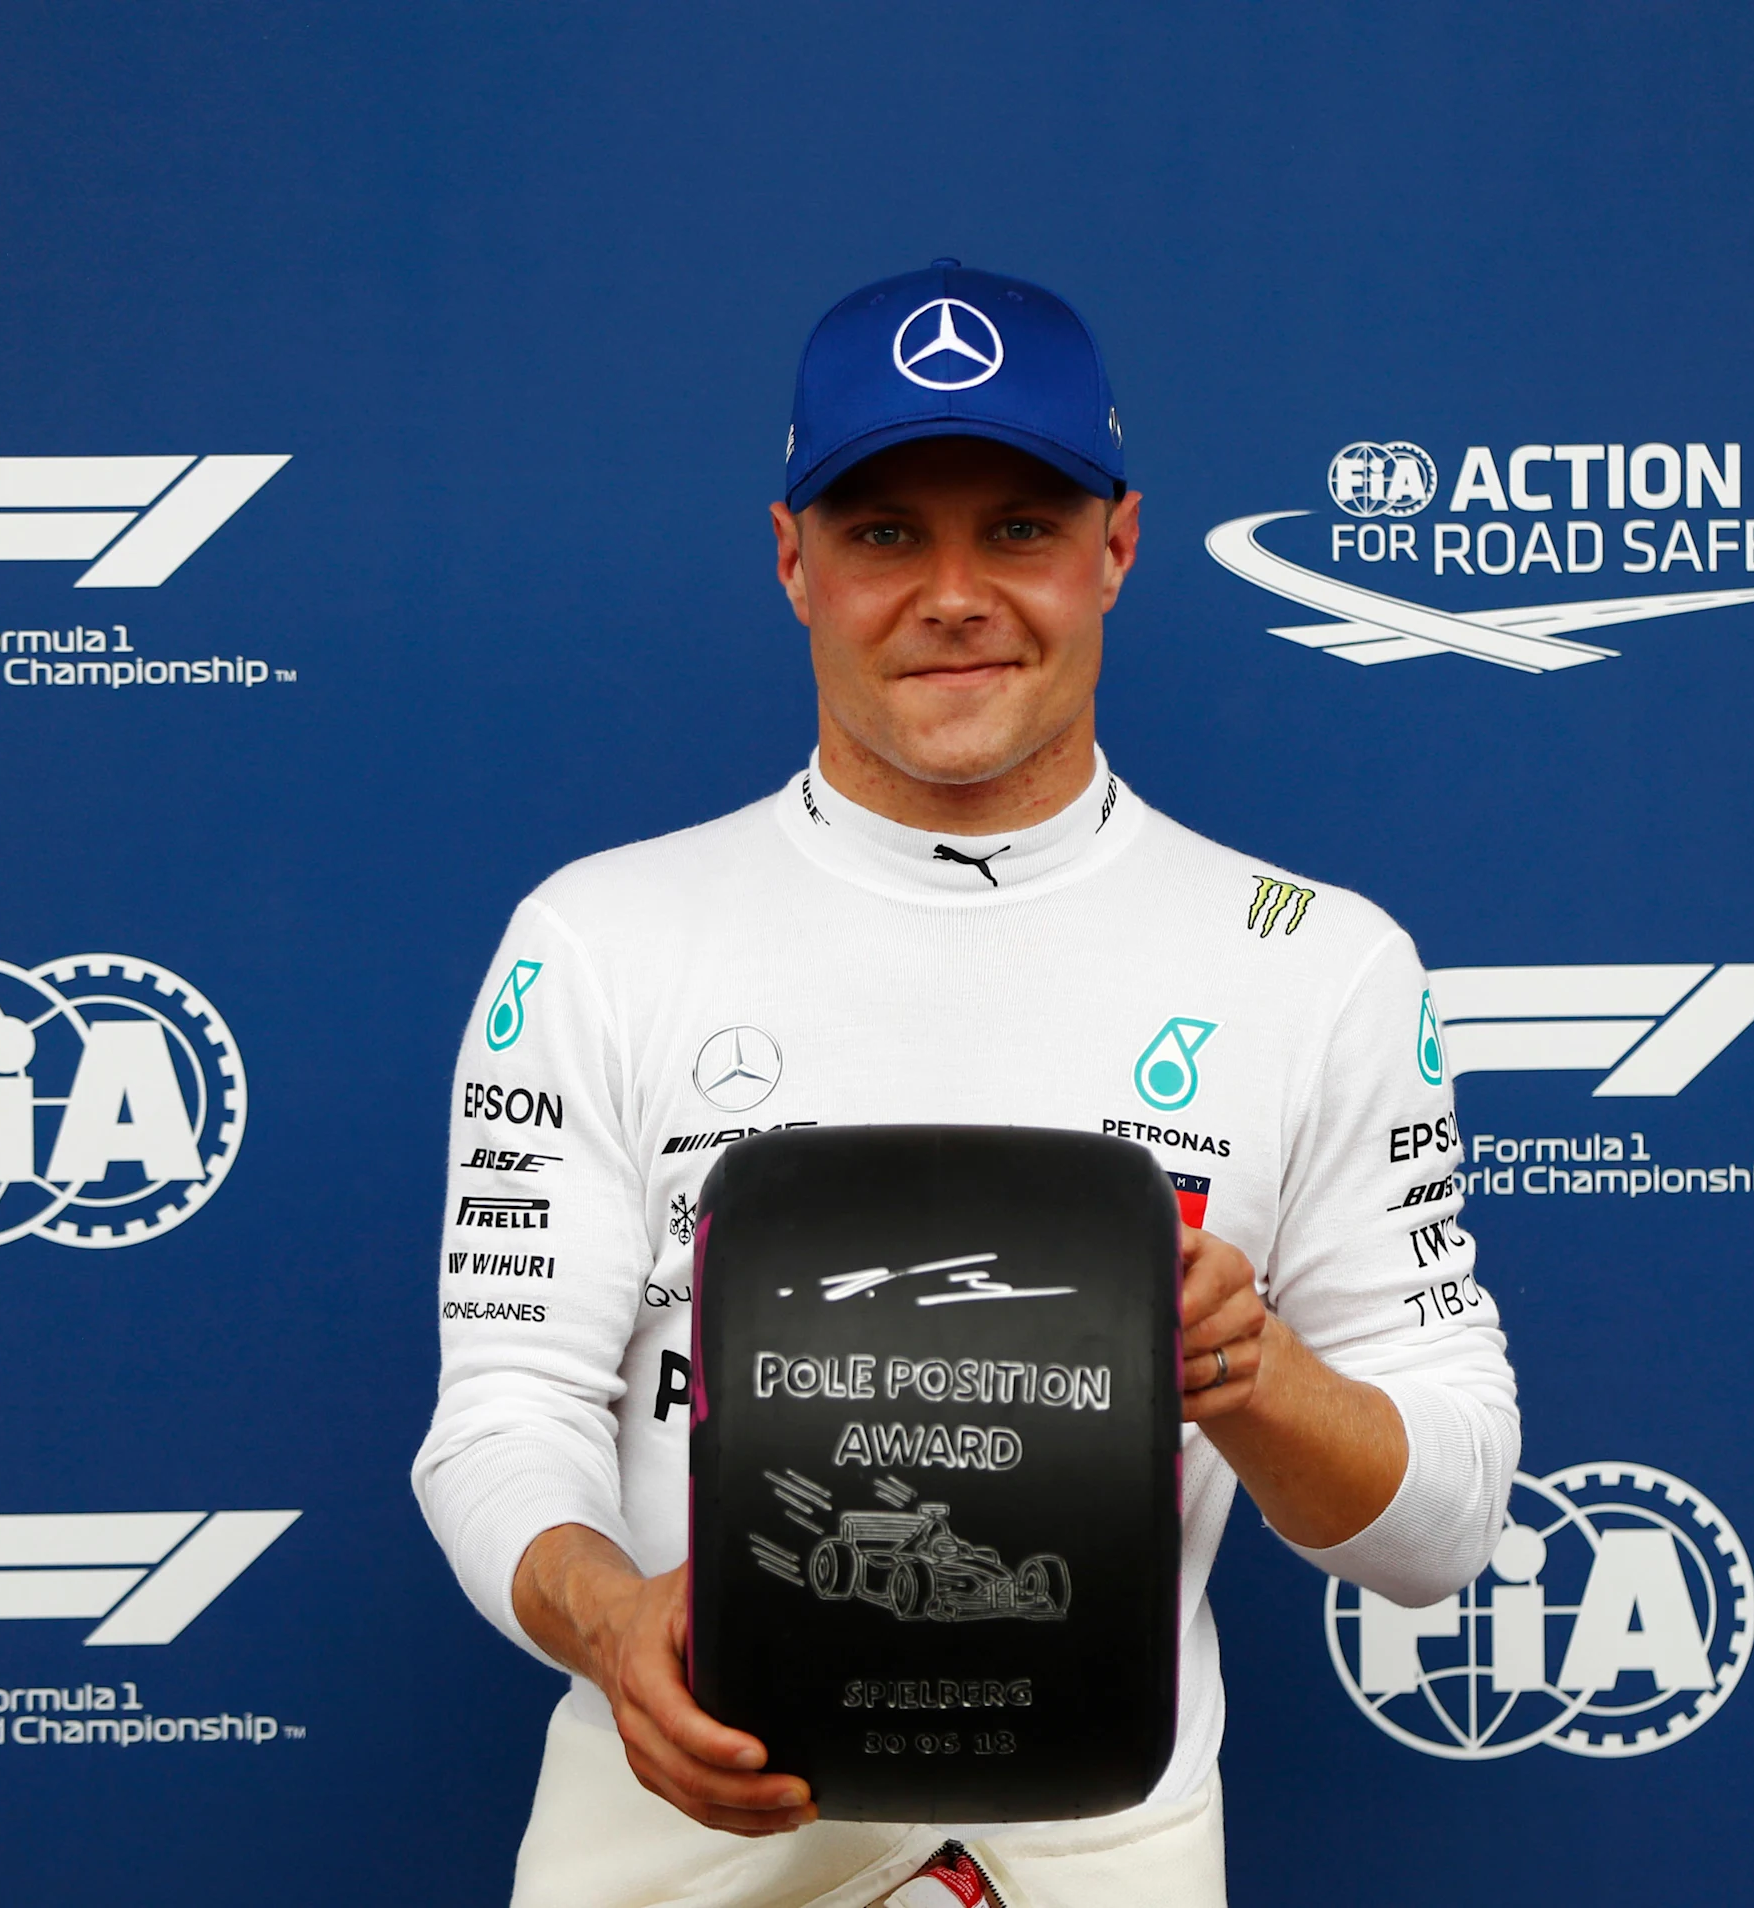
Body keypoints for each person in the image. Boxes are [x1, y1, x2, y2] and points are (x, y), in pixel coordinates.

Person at [413, 261, 1517, 1908]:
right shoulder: (598, 937)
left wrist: (1249, 1373)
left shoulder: (1315, 958)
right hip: (683, 1840)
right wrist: (609, 1615)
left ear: (1117, 550)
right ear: (793, 561)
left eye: (1018, 527)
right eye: (881, 532)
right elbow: (501, 1413)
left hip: (1106, 1850)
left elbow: (1441, 1530)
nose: (952, 593)